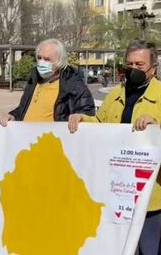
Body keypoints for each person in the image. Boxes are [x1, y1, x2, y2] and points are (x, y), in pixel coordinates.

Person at [68, 39, 161, 255]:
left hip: (151, 194)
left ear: (153, 69)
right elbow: (101, 124)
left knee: (149, 248)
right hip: (119, 190)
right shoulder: (116, 94)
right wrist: (83, 119)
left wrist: (157, 127)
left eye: (139, 65)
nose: (133, 69)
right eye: (129, 64)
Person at [0, 38, 95, 126]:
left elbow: (88, 114)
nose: (41, 62)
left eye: (47, 59)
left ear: (59, 62)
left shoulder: (74, 85)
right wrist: (13, 115)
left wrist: (80, 117)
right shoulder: (34, 81)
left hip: (53, 141)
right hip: (29, 141)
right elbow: (24, 109)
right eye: (39, 58)